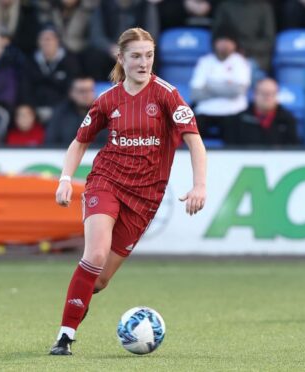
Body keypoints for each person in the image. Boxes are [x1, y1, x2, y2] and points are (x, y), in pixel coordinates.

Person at [49, 27, 206, 355]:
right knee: (94, 254)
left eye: (149, 55)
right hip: (106, 182)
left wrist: (199, 185)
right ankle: (65, 335)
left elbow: (195, 140)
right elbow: (80, 142)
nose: (143, 62)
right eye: (136, 56)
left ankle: (77, 296)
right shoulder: (108, 100)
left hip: (145, 198)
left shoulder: (167, 95)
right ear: (121, 58)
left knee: (101, 280)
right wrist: (65, 177)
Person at [190, 29, 251, 143]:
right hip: (206, 110)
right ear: (215, 43)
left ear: (234, 44)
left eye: (228, 41)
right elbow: (195, 93)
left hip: (233, 110)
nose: (224, 44)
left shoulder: (240, 62)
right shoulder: (205, 62)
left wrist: (209, 86)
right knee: (191, 129)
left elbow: (238, 90)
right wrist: (225, 87)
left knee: (237, 128)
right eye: (221, 40)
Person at [21, 26, 81, 122]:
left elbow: (71, 89)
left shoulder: (70, 61)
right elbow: (26, 88)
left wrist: (57, 110)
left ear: (57, 41)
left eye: (49, 39)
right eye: (43, 39)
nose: (46, 43)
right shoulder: (30, 62)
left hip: (62, 111)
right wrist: (34, 109)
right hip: (35, 111)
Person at [44, 76, 107, 145]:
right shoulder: (60, 114)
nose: (86, 95)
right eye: (81, 91)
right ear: (71, 93)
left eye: (90, 90)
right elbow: (51, 142)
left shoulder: (104, 113)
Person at [235, 78, 298, 146]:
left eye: (271, 93)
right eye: (263, 93)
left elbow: (293, 148)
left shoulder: (288, 119)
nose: (267, 97)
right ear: (255, 94)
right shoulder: (241, 118)